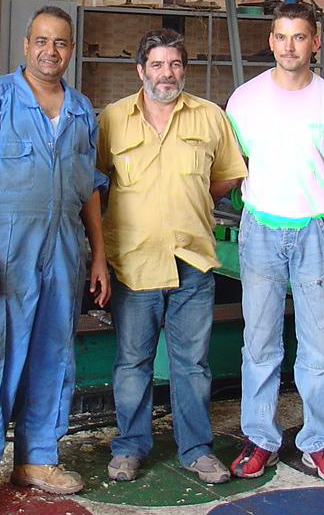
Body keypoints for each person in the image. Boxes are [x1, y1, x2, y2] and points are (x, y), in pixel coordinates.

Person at [0, 6, 111, 515]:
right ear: (26, 45)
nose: (50, 51)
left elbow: (89, 188)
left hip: (64, 247)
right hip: (5, 247)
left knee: (54, 353)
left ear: (71, 49)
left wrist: (99, 255)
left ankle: (37, 458)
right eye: (42, 40)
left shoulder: (81, 111)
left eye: (60, 42)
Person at [224, 1, 324, 483]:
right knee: (259, 343)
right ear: (271, 42)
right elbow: (236, 163)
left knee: (318, 346)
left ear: (315, 42)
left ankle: (318, 442)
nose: (290, 46)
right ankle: (260, 439)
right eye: (282, 37)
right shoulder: (245, 99)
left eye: (300, 37)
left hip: (315, 232)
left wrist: (321, 201)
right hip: (260, 230)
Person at [97, 28, 248, 485]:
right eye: (158, 64)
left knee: (193, 365)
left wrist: (191, 203)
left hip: (193, 262)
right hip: (134, 263)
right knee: (132, 363)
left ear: (185, 70)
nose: (167, 73)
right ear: (140, 70)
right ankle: (130, 446)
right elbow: (95, 185)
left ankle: (196, 449)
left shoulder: (209, 117)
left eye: (176, 64)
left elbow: (227, 175)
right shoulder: (113, 119)